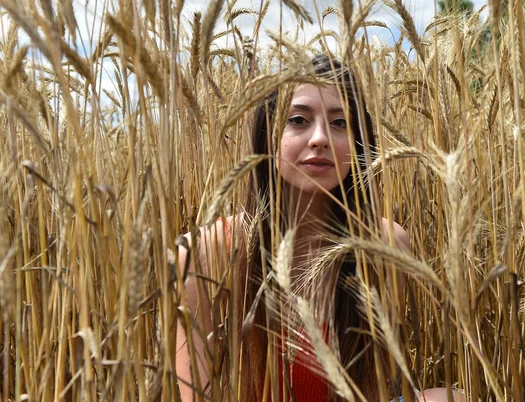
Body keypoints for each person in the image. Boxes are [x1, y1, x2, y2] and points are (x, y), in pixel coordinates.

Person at [176, 54, 465, 402]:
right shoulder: (206, 254)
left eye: (340, 122)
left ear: (360, 143)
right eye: (298, 120)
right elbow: (198, 395)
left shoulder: (386, 244)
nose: (320, 138)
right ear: (267, 136)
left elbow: (369, 387)